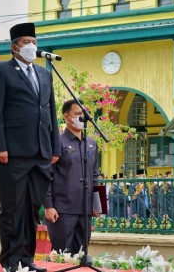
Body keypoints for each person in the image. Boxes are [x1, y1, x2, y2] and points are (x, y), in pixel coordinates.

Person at [0, 22, 60, 272]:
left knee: (31, 210)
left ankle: (27, 260)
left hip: (40, 153)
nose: (31, 46)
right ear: (14, 46)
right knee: (12, 208)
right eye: (26, 42)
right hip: (13, 154)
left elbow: (50, 113)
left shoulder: (44, 74)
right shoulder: (0, 70)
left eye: (34, 42)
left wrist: (55, 148)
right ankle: (10, 261)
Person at [44, 99, 99, 254]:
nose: (83, 117)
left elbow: (95, 174)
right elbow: (46, 175)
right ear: (67, 117)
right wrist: (48, 206)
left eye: (85, 113)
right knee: (62, 255)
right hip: (62, 209)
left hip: (85, 209)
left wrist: (98, 204)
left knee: (82, 255)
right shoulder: (57, 142)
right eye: (78, 113)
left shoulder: (92, 144)